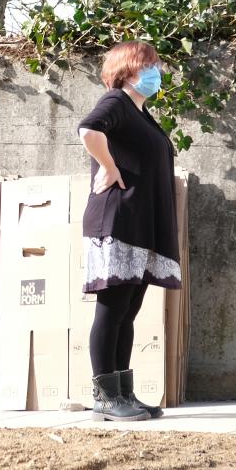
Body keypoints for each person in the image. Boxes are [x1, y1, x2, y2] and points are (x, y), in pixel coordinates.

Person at [76, 40, 182, 422]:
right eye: (148, 65)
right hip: (116, 221)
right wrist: (106, 166)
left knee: (128, 312)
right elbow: (88, 130)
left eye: (156, 65)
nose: (155, 73)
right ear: (126, 70)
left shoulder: (141, 113)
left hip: (138, 224)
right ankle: (105, 399)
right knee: (112, 309)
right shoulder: (117, 102)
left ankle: (123, 395)